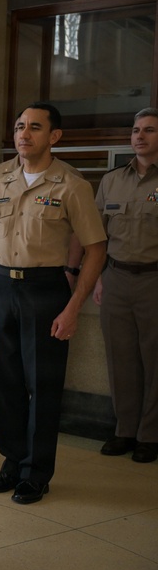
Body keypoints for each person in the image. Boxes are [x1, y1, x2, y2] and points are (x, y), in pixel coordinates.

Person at [0, 103, 107, 504]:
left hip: (45, 290)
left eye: (34, 127)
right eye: (19, 126)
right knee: (5, 383)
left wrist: (73, 307)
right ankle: (12, 462)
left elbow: (96, 249)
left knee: (43, 386)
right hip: (1, 287)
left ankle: (36, 472)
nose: (23, 134)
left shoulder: (71, 184)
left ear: (54, 137)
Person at [94, 108, 158, 464]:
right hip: (116, 278)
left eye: (149, 130)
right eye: (136, 130)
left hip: (154, 280)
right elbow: (96, 236)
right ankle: (124, 430)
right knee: (120, 359)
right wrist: (99, 277)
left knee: (155, 361)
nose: (139, 136)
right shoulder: (112, 180)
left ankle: (150, 434)